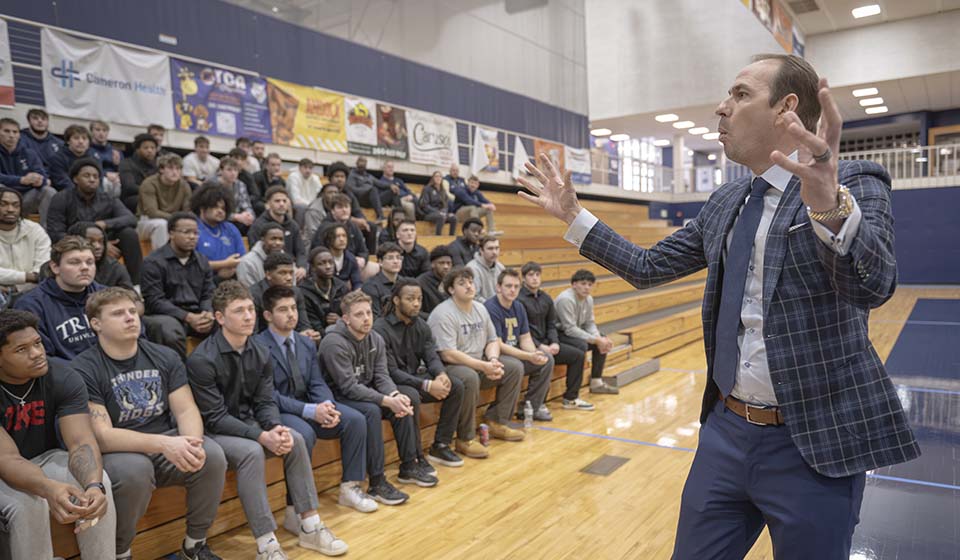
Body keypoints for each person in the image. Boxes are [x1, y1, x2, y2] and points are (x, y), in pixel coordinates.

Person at [518, 53, 920, 559]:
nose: (720, 108)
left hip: (815, 443)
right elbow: (646, 267)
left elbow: (874, 285)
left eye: (740, 94)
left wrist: (828, 208)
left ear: (786, 108)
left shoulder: (855, 182)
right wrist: (574, 215)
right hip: (726, 434)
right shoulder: (727, 201)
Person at [187, 281, 348, 558]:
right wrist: (262, 436)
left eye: (250, 309)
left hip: (250, 423)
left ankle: (310, 526)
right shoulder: (202, 359)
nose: (249, 316)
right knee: (252, 452)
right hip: (215, 431)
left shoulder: (260, 350)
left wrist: (275, 427)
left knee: (294, 438)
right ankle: (267, 544)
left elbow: (264, 401)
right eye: (239, 311)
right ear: (220, 318)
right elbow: (214, 417)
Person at [74, 288, 227, 560]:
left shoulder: (164, 355)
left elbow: (186, 409)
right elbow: (103, 436)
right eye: (118, 313)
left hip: (163, 442)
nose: (130, 318)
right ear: (95, 323)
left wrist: (192, 444)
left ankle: (194, 546)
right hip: (118, 451)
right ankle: (121, 553)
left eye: (132, 311)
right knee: (135, 470)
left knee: (211, 455)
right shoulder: (83, 367)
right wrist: (165, 444)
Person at [255, 285, 405, 512]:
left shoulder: (305, 342)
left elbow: (317, 382)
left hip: (311, 405)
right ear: (268, 315)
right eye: (283, 310)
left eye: (294, 308)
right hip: (281, 410)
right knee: (303, 434)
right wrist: (310, 410)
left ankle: (350, 487)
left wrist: (327, 405)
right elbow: (268, 396)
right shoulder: (258, 346)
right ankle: (296, 507)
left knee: (354, 419)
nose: (291, 314)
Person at [0, 309, 116, 560]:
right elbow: (7, 459)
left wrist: (93, 487)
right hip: (2, 467)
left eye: (38, 343)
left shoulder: (62, 375)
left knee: (100, 483)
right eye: (22, 350)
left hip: (43, 458)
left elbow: (80, 441)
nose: (37, 354)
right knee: (28, 504)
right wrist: (48, 488)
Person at [318, 290, 438, 487]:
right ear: (346, 319)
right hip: (338, 396)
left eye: (368, 313)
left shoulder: (375, 339)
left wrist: (395, 395)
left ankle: (409, 466)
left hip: (364, 390)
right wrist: (387, 401)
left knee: (406, 398)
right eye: (359, 315)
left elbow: (381, 375)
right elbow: (348, 387)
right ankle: (377, 480)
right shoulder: (333, 342)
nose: (366, 319)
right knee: (372, 410)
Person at [427, 266, 525, 450]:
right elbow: (447, 353)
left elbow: (492, 339)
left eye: (470, 282)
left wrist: (494, 359)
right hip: (450, 366)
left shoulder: (480, 308)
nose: (469, 286)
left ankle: (497, 421)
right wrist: (482, 366)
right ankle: (465, 438)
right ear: (451, 289)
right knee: (469, 377)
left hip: (478, 361)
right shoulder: (443, 313)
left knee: (513, 367)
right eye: (462, 283)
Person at [374, 279, 466, 467]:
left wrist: (440, 374)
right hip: (390, 384)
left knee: (455, 386)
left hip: (413, 378)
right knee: (412, 396)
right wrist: (427, 385)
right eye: (410, 299)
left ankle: (440, 445)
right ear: (396, 301)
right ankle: (414, 458)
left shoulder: (421, 325)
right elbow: (390, 372)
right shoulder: (380, 329)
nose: (416, 303)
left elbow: (431, 356)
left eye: (419, 299)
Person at [48, 157, 142, 285]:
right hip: (74, 245)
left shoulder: (108, 198)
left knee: (129, 234)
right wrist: (92, 244)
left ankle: (136, 285)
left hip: (104, 242)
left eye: (96, 176)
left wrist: (104, 226)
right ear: (75, 179)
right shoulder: (61, 198)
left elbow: (130, 218)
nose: (92, 179)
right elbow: (56, 233)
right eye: (87, 175)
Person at [14, 236, 105, 360]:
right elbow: (42, 358)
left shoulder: (108, 296)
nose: (85, 267)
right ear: (55, 267)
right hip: (67, 375)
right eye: (75, 262)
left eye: (90, 262)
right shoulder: (31, 305)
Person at [141, 212, 216, 360]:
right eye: (186, 232)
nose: (192, 237)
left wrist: (207, 312)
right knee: (170, 332)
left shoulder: (202, 261)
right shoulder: (153, 262)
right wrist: (188, 317)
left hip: (197, 313)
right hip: (165, 315)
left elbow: (208, 293)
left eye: (195, 232)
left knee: (228, 322)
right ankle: (179, 377)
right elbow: (154, 301)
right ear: (171, 233)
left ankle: (214, 375)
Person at [518, 262, 592, 410]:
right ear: (524, 279)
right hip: (529, 346)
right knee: (546, 359)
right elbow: (522, 331)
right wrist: (540, 346)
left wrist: (555, 343)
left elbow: (551, 325)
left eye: (537, 275)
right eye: (531, 275)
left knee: (577, 355)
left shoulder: (545, 298)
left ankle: (571, 398)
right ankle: (537, 403)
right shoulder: (519, 300)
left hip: (547, 343)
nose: (535, 278)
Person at [483, 268, 554, 421]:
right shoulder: (491, 307)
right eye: (508, 286)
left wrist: (534, 354)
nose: (513, 290)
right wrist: (528, 355)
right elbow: (498, 344)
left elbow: (525, 338)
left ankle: (530, 407)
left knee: (546, 360)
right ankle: (496, 416)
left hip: (516, 352)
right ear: (498, 287)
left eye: (516, 286)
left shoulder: (518, 306)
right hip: (495, 355)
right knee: (517, 366)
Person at [552, 270, 619, 395]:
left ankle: (596, 382)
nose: (586, 287)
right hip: (559, 334)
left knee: (602, 338)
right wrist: (596, 340)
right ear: (574, 284)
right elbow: (569, 329)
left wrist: (599, 339)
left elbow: (589, 323)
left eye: (589, 284)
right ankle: (572, 391)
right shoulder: (565, 299)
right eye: (583, 284)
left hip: (574, 331)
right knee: (582, 345)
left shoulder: (589, 299)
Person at [0, 117, 56, 227]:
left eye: (15, 132)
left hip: (25, 199)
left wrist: (39, 180)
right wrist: (22, 180)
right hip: (3, 199)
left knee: (48, 191)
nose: (11, 135)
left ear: (19, 135)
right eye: (6, 131)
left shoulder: (29, 153)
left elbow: (44, 178)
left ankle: (46, 233)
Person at [248, 252, 316, 341]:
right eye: (282, 273)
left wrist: (308, 333)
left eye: (291, 273)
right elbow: (252, 334)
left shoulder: (296, 292)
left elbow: (303, 325)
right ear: (268, 275)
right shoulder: (253, 295)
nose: (289, 278)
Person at [249, 187, 307, 282]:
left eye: (284, 201)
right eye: (277, 201)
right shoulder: (258, 226)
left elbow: (301, 252)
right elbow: (258, 253)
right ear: (268, 204)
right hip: (268, 271)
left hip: (292, 270)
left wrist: (302, 267)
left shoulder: (293, 225)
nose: (281, 204)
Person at [0, 187, 50, 296]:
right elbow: (37, 276)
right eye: (3, 204)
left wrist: (15, 288)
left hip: (32, 291)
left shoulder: (34, 229)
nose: (10, 209)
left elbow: (44, 268)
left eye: (16, 205)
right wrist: (28, 277)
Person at [137, 152, 192, 251]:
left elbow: (187, 210)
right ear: (161, 169)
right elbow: (152, 212)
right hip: (146, 221)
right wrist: (176, 219)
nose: (175, 172)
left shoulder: (184, 185)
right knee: (161, 224)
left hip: (174, 221)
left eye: (178, 169)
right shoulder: (149, 183)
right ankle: (163, 261)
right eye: (170, 168)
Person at [191, 183, 245, 279]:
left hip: (232, 279)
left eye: (223, 208)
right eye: (215, 207)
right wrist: (224, 264)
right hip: (200, 282)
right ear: (202, 208)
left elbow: (242, 257)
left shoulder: (231, 228)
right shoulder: (193, 229)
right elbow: (192, 265)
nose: (220, 211)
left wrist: (230, 267)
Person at [64, 222, 133, 290]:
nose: (97, 246)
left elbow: (131, 297)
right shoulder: (63, 266)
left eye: (101, 241)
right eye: (90, 241)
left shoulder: (115, 268)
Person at [312, 193, 370, 269]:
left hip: (353, 264)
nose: (344, 210)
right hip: (331, 265)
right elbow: (318, 251)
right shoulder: (325, 228)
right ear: (332, 211)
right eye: (340, 207)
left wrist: (363, 259)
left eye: (346, 207)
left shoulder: (353, 226)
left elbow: (363, 250)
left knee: (375, 268)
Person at [301, 246, 348, 333]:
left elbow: (350, 315)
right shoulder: (304, 292)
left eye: (331, 262)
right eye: (321, 263)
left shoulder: (341, 287)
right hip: (317, 335)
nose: (328, 266)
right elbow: (312, 323)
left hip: (342, 331)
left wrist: (340, 320)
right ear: (313, 267)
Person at [207, 156, 255, 236]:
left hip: (237, 219)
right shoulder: (212, 185)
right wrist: (236, 217)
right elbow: (211, 211)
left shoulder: (240, 184)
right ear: (221, 171)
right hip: (216, 219)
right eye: (229, 170)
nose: (233, 173)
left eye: (236, 170)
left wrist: (249, 215)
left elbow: (246, 205)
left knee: (253, 226)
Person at [47, 124, 102, 192]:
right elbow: (62, 182)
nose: (81, 142)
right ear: (68, 141)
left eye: (84, 138)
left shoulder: (94, 158)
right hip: (66, 195)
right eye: (76, 138)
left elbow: (99, 182)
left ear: (89, 143)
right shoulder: (57, 158)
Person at [361, 242, 409, 317]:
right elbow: (375, 316)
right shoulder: (370, 286)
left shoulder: (406, 284)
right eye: (390, 258)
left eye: (398, 257)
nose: (396, 261)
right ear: (380, 262)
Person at [118, 133, 159, 213]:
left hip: (155, 196)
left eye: (152, 148)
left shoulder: (157, 166)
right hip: (133, 198)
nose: (150, 150)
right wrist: (151, 191)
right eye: (146, 148)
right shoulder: (126, 163)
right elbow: (129, 187)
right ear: (137, 149)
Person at [237, 222, 286, 287]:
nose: (278, 243)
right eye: (273, 239)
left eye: (281, 239)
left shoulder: (286, 260)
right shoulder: (247, 262)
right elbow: (249, 291)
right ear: (263, 239)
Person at [319, 223, 362, 290]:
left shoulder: (351, 259)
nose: (342, 239)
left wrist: (357, 291)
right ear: (329, 239)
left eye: (344, 236)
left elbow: (357, 282)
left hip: (344, 293)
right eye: (337, 236)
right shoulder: (321, 258)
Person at [344, 156, 384, 221]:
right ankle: (380, 216)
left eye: (364, 162)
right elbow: (352, 190)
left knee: (392, 191)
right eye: (361, 161)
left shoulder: (369, 176)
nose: (362, 163)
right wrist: (367, 189)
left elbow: (381, 184)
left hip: (372, 200)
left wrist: (391, 185)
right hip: (360, 200)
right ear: (357, 163)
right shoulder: (352, 175)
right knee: (373, 189)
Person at [466, 235, 504, 302]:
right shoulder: (472, 268)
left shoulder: (500, 267)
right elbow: (474, 296)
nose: (494, 252)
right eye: (490, 248)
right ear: (481, 250)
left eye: (497, 248)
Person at [416, 245, 453, 315]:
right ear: (432, 264)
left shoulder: (454, 281)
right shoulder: (421, 282)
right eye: (442, 263)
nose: (446, 266)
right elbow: (417, 312)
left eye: (448, 263)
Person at [87, 120, 121, 195]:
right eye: (98, 130)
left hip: (115, 179)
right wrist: (105, 174)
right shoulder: (87, 150)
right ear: (91, 132)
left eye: (104, 130)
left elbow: (123, 169)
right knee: (105, 182)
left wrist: (117, 165)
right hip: (98, 177)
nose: (101, 133)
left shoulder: (115, 151)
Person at [418, 170, 456, 236]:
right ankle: (438, 237)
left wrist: (444, 212)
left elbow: (446, 205)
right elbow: (425, 205)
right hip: (429, 214)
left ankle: (451, 237)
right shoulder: (427, 189)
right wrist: (437, 212)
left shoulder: (443, 190)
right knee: (441, 216)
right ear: (433, 178)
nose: (438, 178)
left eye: (440, 176)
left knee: (453, 217)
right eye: (436, 176)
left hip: (442, 213)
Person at [286, 158, 322, 225]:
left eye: (310, 168)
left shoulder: (315, 178)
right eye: (305, 167)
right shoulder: (293, 177)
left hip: (311, 206)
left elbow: (320, 194)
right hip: (295, 206)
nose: (308, 170)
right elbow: (296, 199)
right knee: (301, 207)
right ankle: (299, 230)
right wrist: (311, 206)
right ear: (299, 168)